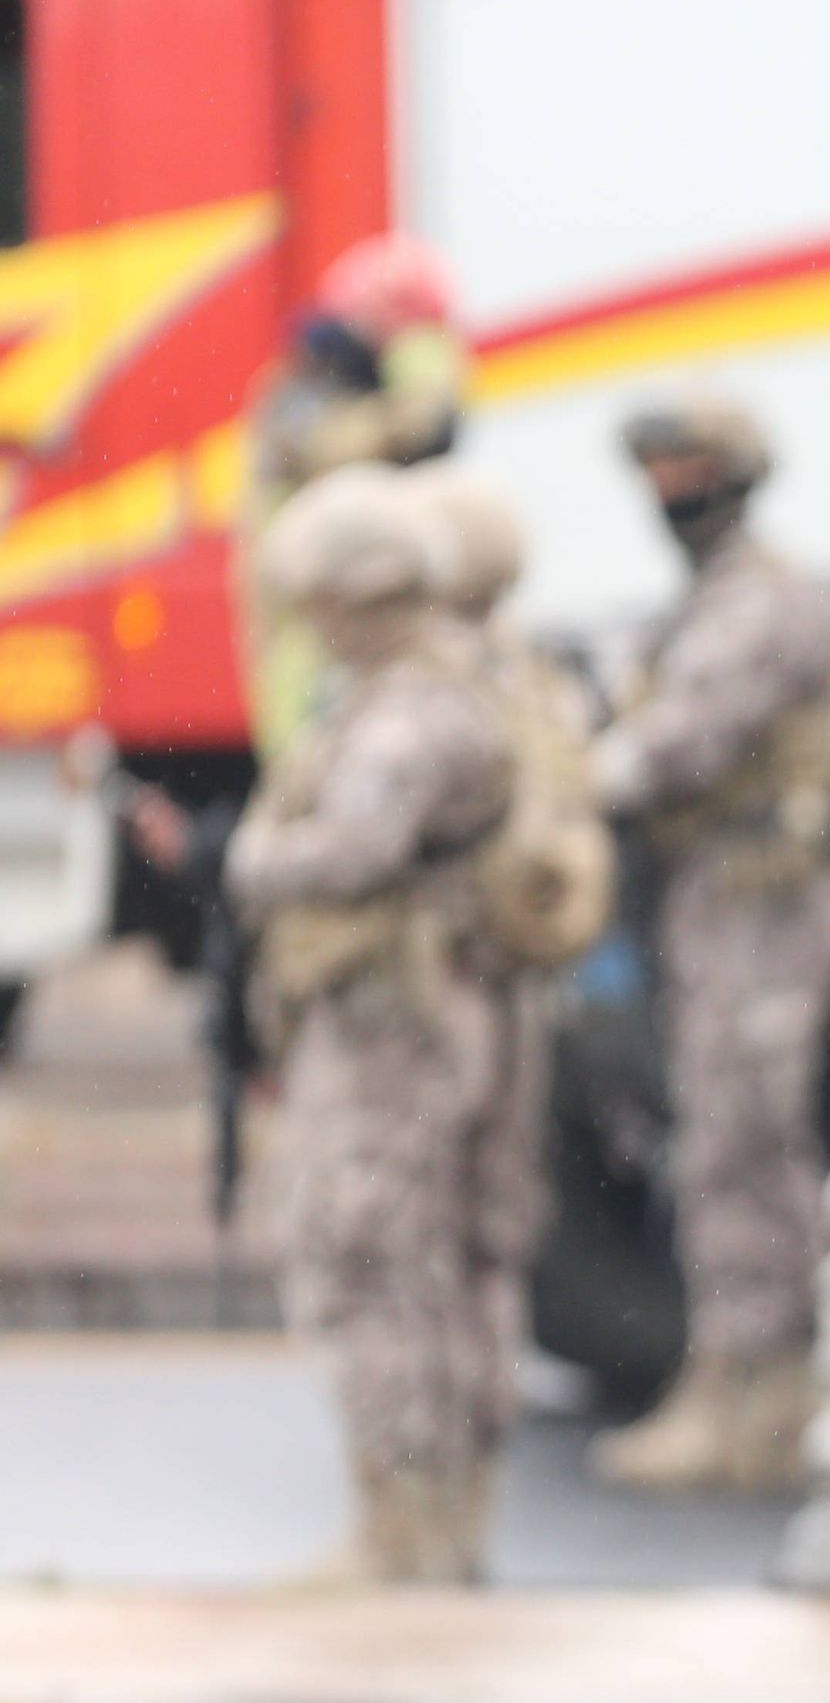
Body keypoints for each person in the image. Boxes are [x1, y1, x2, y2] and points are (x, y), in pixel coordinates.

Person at [221, 465, 517, 1583]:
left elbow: (351, 852)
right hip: (417, 1012)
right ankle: (430, 1525)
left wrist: (248, 857)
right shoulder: (448, 688)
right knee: (419, 1259)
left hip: (393, 1020)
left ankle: (403, 1532)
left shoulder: (410, 712)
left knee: (366, 1256)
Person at [587, 391, 830, 1495]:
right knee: (732, 1140)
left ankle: (757, 1395)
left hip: (762, 899)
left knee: (741, 1144)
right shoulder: (713, 598)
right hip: (719, 898)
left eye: (686, 470)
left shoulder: (757, 606)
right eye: (654, 474)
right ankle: (755, 1388)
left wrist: (573, 779)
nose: (670, 495)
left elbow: (674, 747)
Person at [409, 464, 613, 1509]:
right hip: (517, 983)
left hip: (431, 990)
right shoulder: (535, 674)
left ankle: (425, 1481)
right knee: (493, 1227)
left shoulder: (432, 688)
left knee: (415, 1230)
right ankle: (473, 1451)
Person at [237, 234, 468, 759]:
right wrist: (422, 387)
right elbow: (344, 447)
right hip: (308, 632)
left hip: (355, 630)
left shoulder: (351, 390)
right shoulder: (300, 396)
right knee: (317, 767)